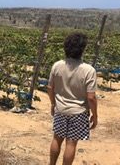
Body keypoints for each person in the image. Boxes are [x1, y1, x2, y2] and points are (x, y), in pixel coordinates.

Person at [47, 33, 98, 165]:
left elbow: (50, 88)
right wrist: (95, 115)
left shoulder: (57, 65)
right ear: (83, 49)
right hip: (78, 113)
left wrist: (53, 104)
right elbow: (91, 98)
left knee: (56, 139)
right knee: (71, 143)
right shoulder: (89, 70)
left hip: (60, 110)